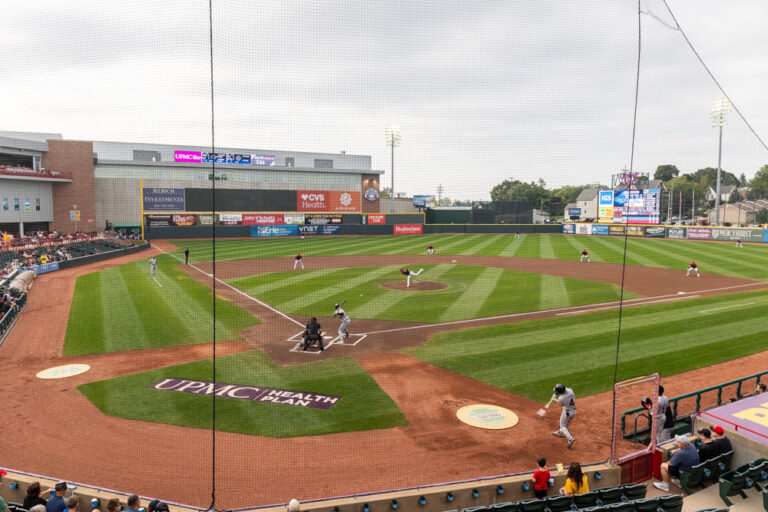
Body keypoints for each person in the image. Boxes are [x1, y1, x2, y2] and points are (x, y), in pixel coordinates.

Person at [552, 384, 576, 448]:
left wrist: (554, 399)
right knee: (566, 424)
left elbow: (560, 404)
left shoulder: (561, 398)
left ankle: (570, 438)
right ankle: (561, 432)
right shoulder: (570, 390)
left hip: (567, 412)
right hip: (573, 411)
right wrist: (557, 393)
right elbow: (564, 391)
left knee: (562, 425)